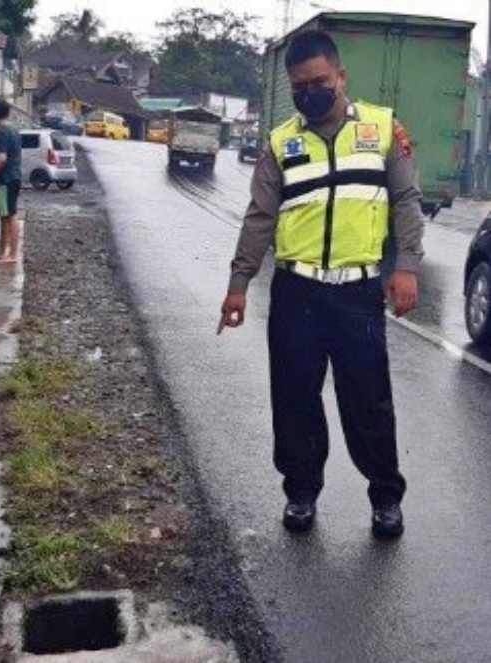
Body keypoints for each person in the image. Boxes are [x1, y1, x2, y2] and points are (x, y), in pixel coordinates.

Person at [217, 30, 424, 539]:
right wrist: (238, 283)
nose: (310, 91)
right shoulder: (280, 142)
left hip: (357, 295)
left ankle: (385, 498)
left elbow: (406, 202)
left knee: (369, 401)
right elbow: (260, 217)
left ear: (340, 77)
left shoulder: (381, 129)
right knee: (295, 400)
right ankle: (302, 493)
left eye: (319, 82)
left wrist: (407, 267)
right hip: (296, 294)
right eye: (299, 85)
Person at [0, 99, 22, 263]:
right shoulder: (14, 131)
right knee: (3, 214)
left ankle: (13, 254)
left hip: (7, 179)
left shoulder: (2, 132)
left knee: (11, 215)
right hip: (10, 178)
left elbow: (2, 158)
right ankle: (2, 250)